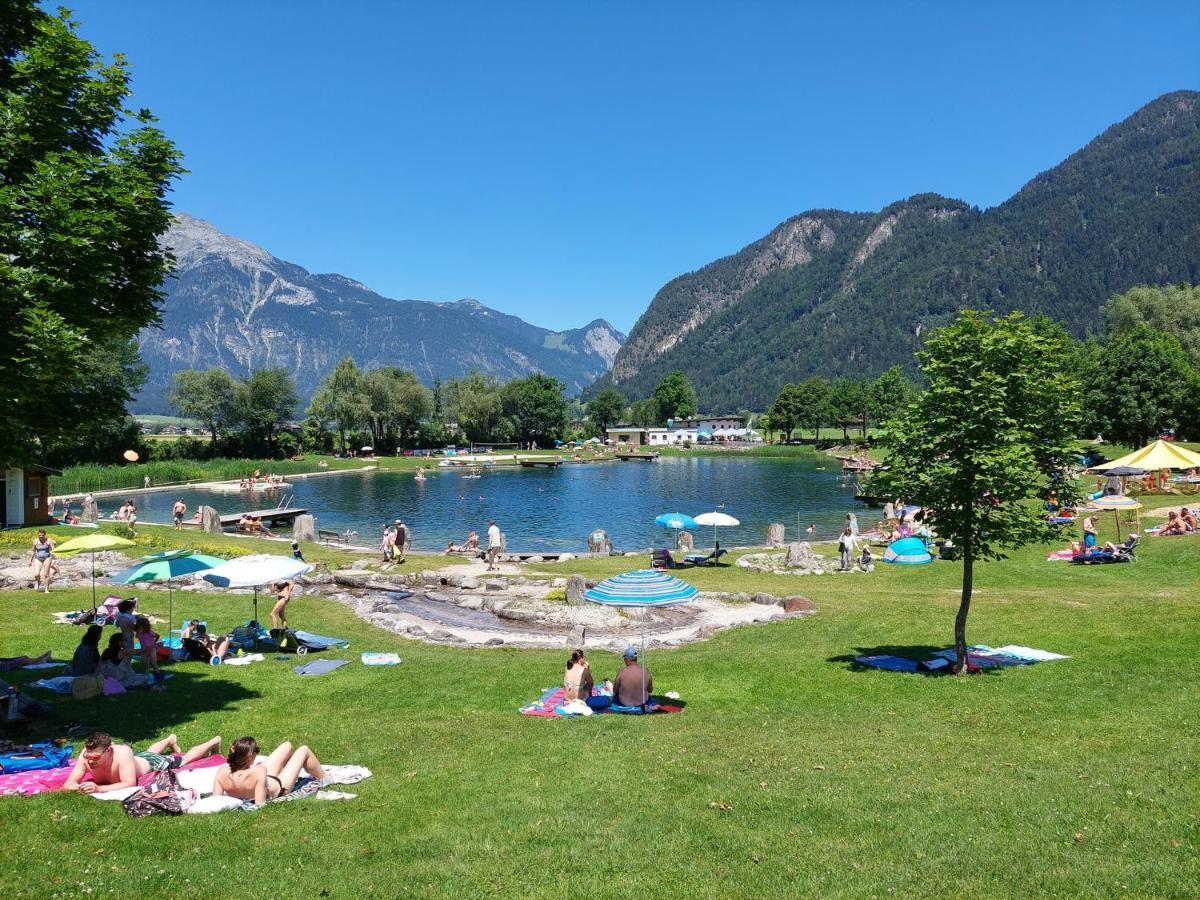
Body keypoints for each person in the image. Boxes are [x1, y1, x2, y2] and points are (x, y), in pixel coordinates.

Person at [63, 731, 221, 793]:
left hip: (152, 763)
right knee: (148, 752)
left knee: (184, 759)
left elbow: (129, 783)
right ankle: (169, 739)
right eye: (88, 757)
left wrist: (98, 788)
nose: (90, 761)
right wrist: (73, 786)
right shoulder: (86, 754)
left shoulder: (123, 752)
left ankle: (213, 741)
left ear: (109, 751)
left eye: (95, 758)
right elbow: (69, 782)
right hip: (139, 759)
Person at [212, 737, 327, 805]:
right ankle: (325, 777)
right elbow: (260, 804)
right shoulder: (259, 771)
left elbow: (216, 802)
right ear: (250, 757)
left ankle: (291, 769)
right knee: (303, 750)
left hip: (264, 779)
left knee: (287, 746)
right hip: (279, 786)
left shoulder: (221, 772)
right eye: (256, 750)